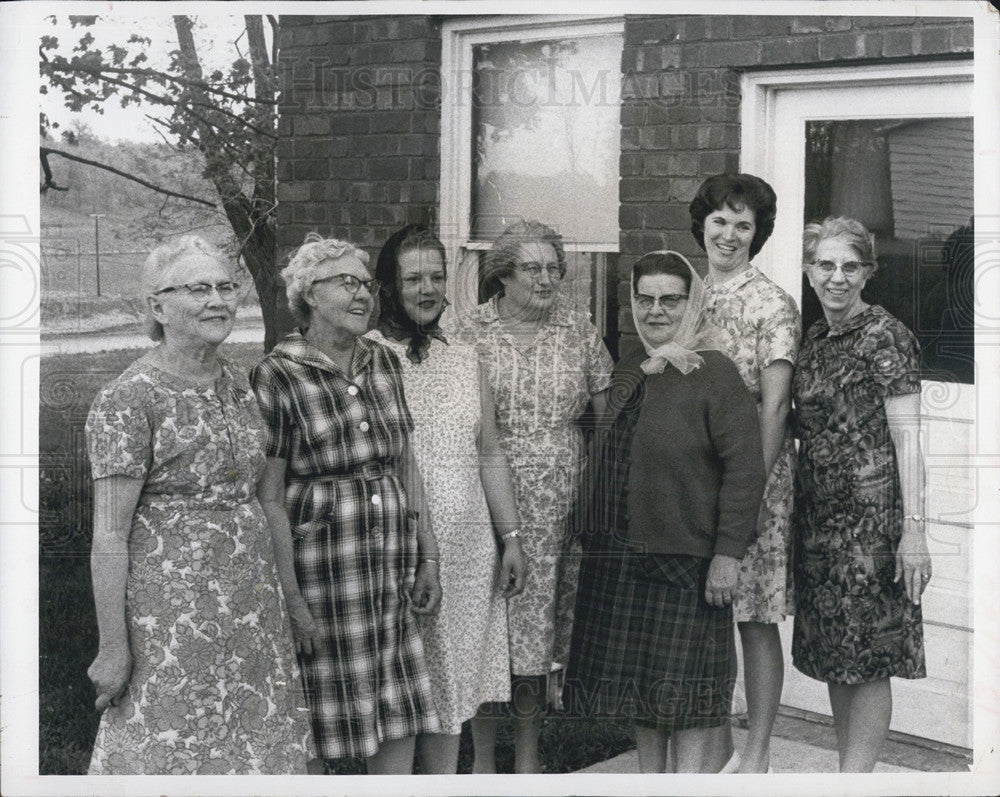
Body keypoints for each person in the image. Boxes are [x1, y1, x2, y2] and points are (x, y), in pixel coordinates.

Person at [85, 236, 313, 774]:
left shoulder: (238, 384)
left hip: (252, 609)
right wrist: (113, 647)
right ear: (158, 307)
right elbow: (109, 535)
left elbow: (265, 501)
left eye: (226, 287)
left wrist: (292, 601)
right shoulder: (129, 398)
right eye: (198, 289)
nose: (218, 300)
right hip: (171, 618)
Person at [565, 250, 766, 773]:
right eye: (644, 298)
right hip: (622, 555)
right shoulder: (631, 366)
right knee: (639, 690)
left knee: (692, 697)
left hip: (686, 556)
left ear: (692, 302)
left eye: (670, 299)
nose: (656, 310)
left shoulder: (716, 372)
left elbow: (745, 470)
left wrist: (728, 555)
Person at [250, 233, 442, 775]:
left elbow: (405, 461)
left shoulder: (383, 361)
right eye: (346, 283)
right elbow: (269, 493)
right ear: (309, 295)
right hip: (324, 567)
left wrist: (428, 556)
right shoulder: (278, 373)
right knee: (320, 712)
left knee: (395, 702)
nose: (363, 296)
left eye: (366, 284)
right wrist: (290, 596)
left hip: (388, 563)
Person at [366, 223, 527, 774]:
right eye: (413, 277)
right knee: (398, 692)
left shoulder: (464, 356)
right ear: (389, 284)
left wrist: (510, 538)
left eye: (437, 276)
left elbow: (489, 451)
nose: (427, 288)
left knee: (450, 695)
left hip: (466, 546)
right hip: (394, 544)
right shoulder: (366, 358)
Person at [455, 219, 613, 773]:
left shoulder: (578, 328)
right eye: (532, 268)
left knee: (534, 633)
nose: (547, 279)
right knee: (484, 620)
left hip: (559, 502)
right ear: (503, 275)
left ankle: (526, 757)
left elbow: (605, 419)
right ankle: (480, 760)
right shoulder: (468, 331)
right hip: (485, 489)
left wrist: (598, 489)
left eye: (554, 268)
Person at [793, 217, 930, 772]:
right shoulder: (816, 340)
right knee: (836, 655)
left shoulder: (886, 336)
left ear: (868, 273)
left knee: (868, 659)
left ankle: (856, 779)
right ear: (809, 271)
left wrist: (914, 529)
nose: (837, 277)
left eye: (851, 266)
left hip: (872, 530)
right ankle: (848, 773)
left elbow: (909, 439)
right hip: (820, 526)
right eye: (825, 265)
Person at [688, 173, 801, 772]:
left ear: (757, 236)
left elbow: (775, 405)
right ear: (702, 223)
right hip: (695, 478)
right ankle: (715, 744)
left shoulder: (771, 303)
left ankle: (757, 753)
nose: (729, 234)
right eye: (720, 220)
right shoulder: (691, 294)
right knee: (707, 613)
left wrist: (750, 493)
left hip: (751, 477)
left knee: (754, 616)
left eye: (743, 225)